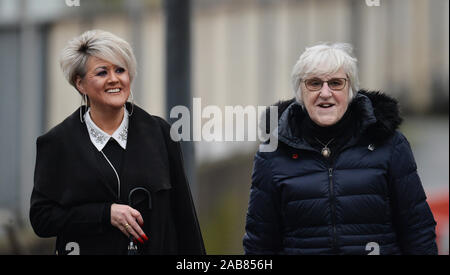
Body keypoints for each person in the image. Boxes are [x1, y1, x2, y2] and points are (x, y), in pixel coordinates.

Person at [243, 43, 437, 255]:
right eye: (314, 83)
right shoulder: (272, 154)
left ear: (351, 90)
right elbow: (259, 244)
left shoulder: (389, 145)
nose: (325, 93)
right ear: (300, 91)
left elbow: (417, 231)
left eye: (336, 83)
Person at [30, 30, 205, 255]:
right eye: (102, 72)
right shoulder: (57, 143)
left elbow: (184, 216)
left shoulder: (160, 133)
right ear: (80, 84)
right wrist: (105, 214)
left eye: (120, 70)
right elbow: (41, 219)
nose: (114, 79)